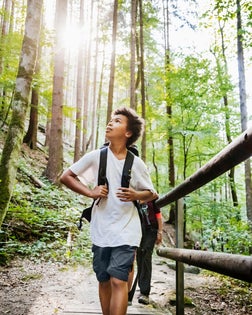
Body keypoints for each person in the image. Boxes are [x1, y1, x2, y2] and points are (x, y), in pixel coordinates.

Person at [60, 107, 156, 315]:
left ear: (128, 133)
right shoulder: (96, 156)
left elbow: (151, 194)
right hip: (101, 228)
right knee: (103, 279)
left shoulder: (136, 164)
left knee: (118, 279)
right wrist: (90, 192)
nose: (110, 123)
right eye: (111, 120)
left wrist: (135, 195)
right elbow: (65, 177)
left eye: (117, 121)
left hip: (127, 229)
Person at [136, 199, 162, 305]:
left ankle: (145, 293)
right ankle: (141, 287)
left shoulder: (152, 195)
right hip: (137, 229)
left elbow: (158, 214)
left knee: (146, 256)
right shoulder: (133, 193)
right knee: (140, 257)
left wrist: (160, 231)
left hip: (151, 229)